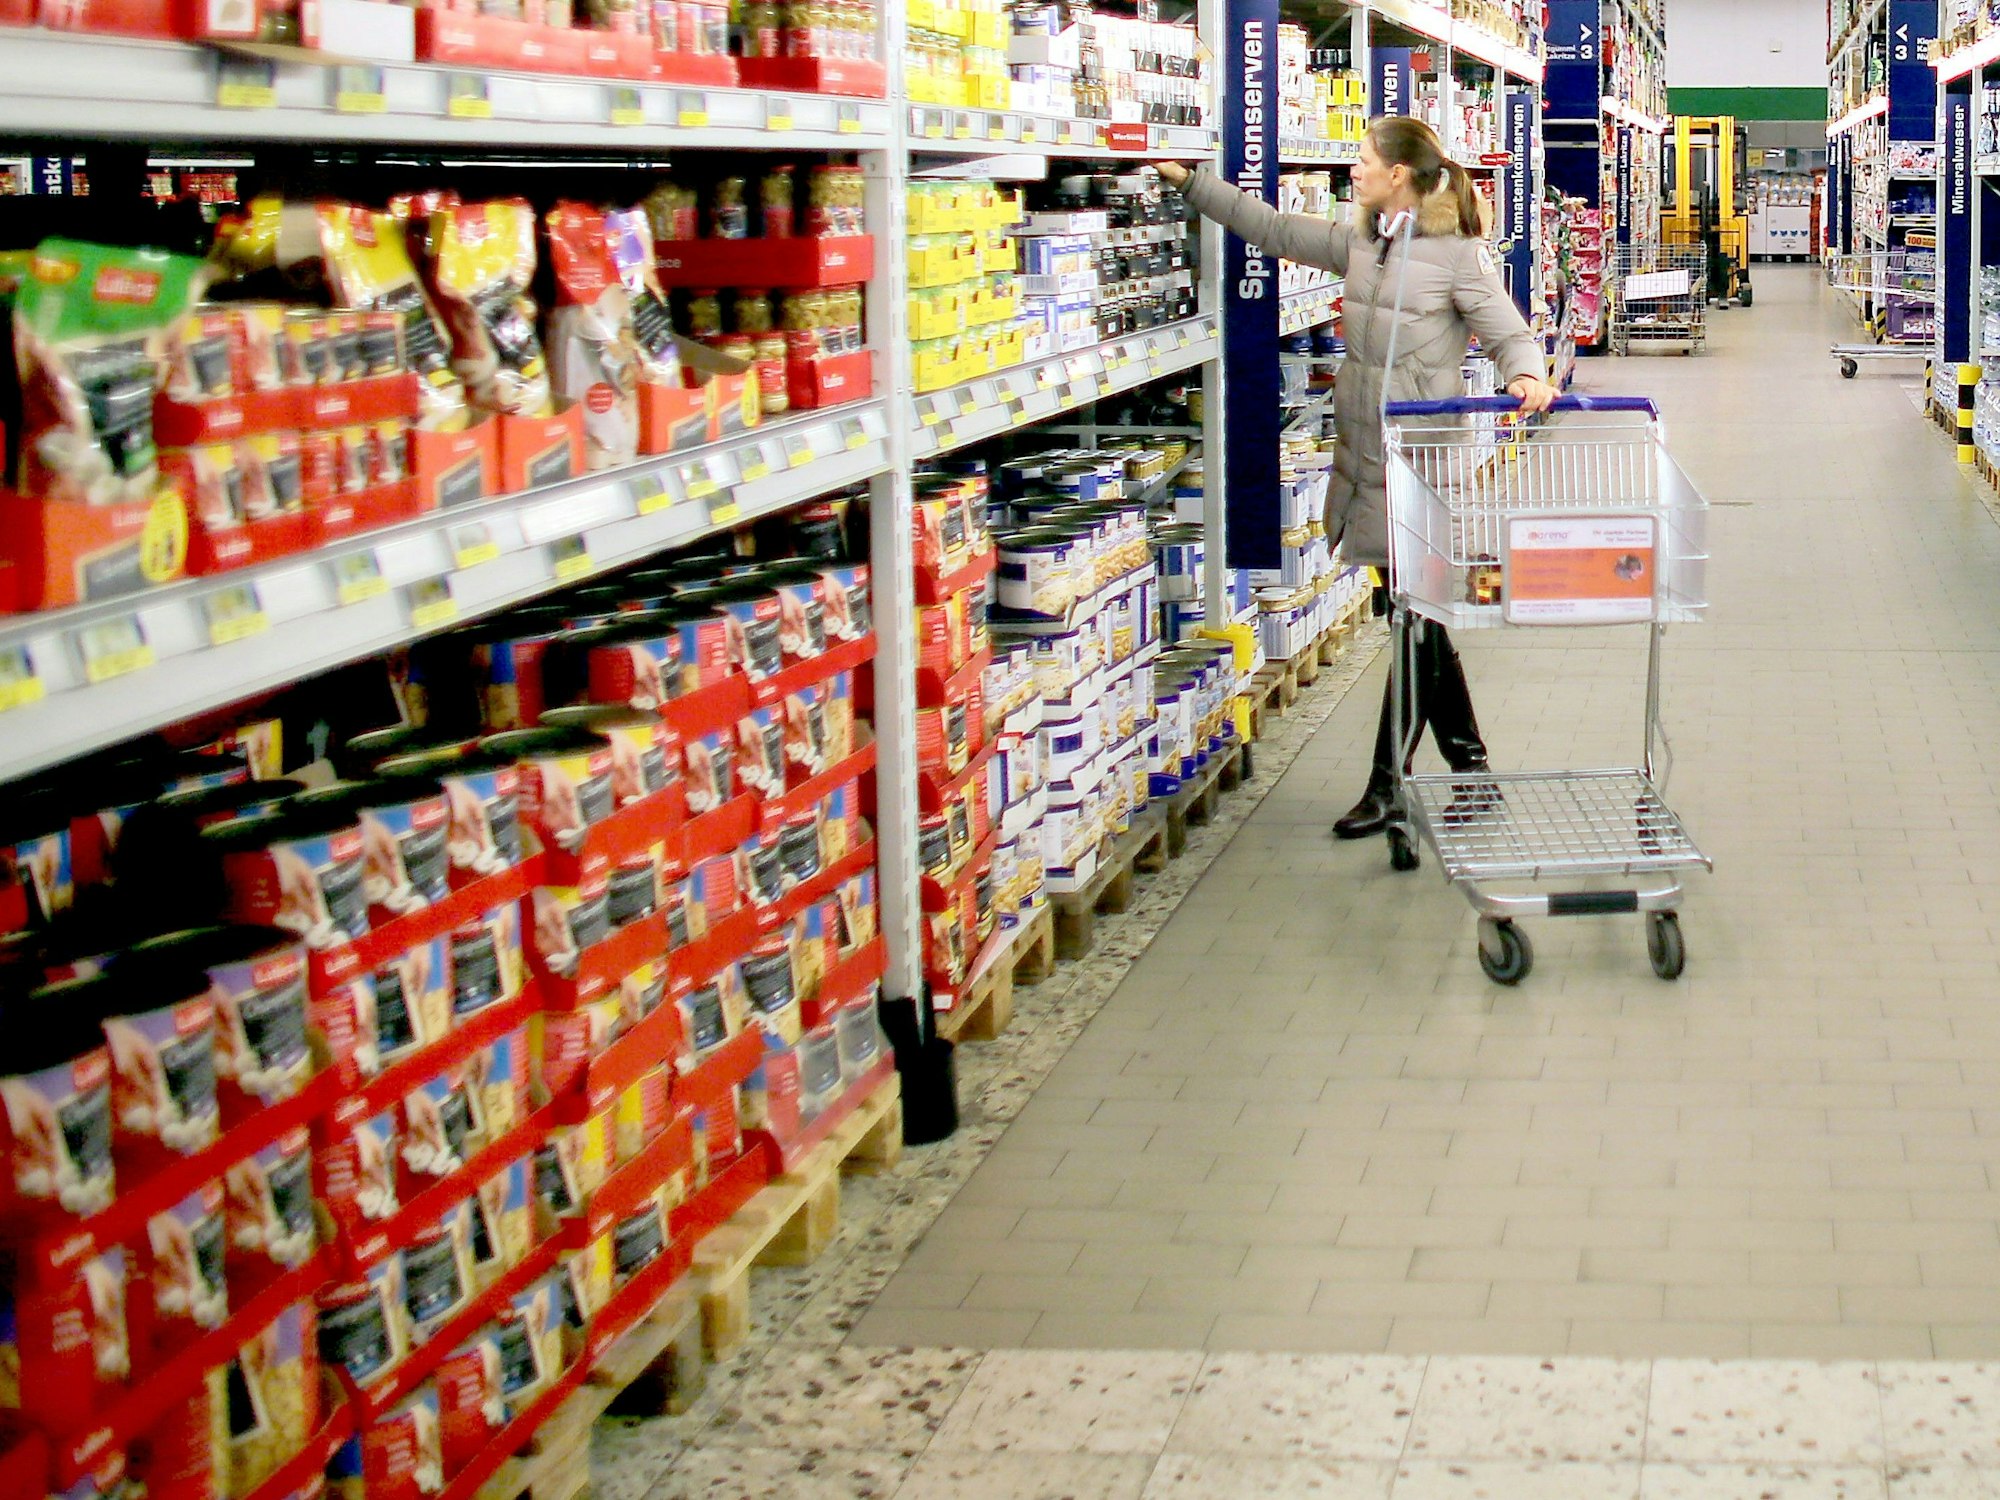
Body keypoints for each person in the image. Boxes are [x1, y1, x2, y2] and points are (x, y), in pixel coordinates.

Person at [1158, 117, 1557, 840]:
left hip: (1421, 467)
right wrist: (1192, 183)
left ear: (1399, 174)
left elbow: (1505, 327)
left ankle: (1387, 784)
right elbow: (1273, 229)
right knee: (1418, 620)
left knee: (1414, 621)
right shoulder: (1363, 242)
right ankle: (1469, 771)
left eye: (1365, 161)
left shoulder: (1455, 255)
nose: (1356, 172)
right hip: (1363, 460)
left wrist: (1527, 373)